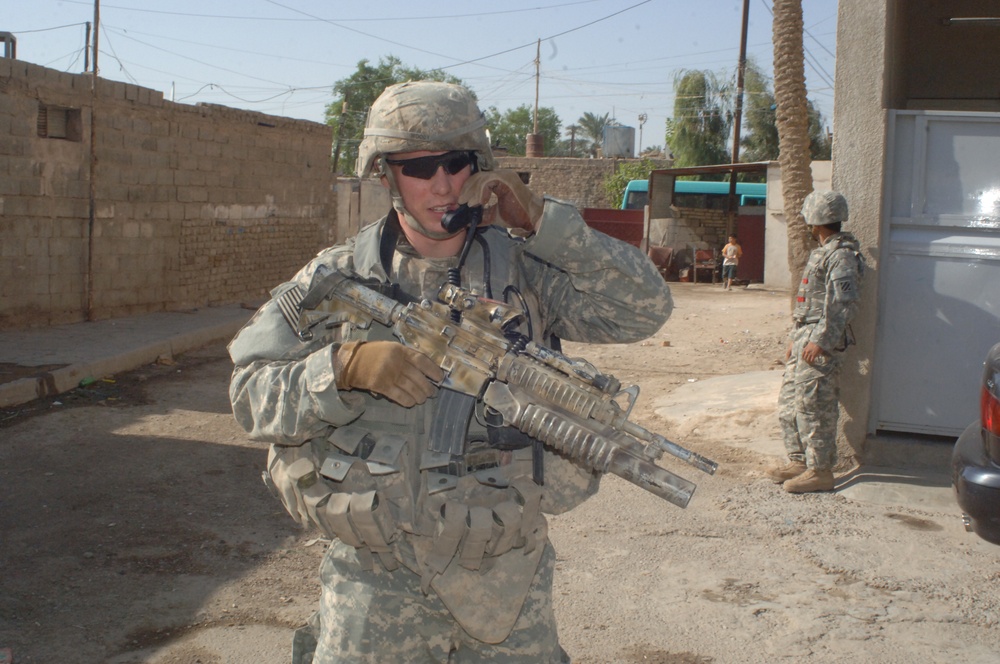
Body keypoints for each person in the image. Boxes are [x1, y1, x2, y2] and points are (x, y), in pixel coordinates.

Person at [227, 80, 673, 663]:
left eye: (456, 162)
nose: (441, 183)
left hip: (504, 573)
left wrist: (541, 222)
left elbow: (644, 308)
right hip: (375, 580)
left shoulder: (526, 266)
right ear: (386, 175)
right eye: (418, 166)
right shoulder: (337, 278)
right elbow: (248, 392)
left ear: (481, 169)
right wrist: (342, 368)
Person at [768, 190, 865, 493]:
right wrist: (795, 340)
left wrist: (821, 340)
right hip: (804, 337)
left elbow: (842, 304)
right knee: (790, 404)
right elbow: (810, 303)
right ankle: (799, 460)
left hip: (819, 341)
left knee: (815, 405)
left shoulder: (841, 255)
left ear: (816, 221)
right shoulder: (823, 252)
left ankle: (820, 471)